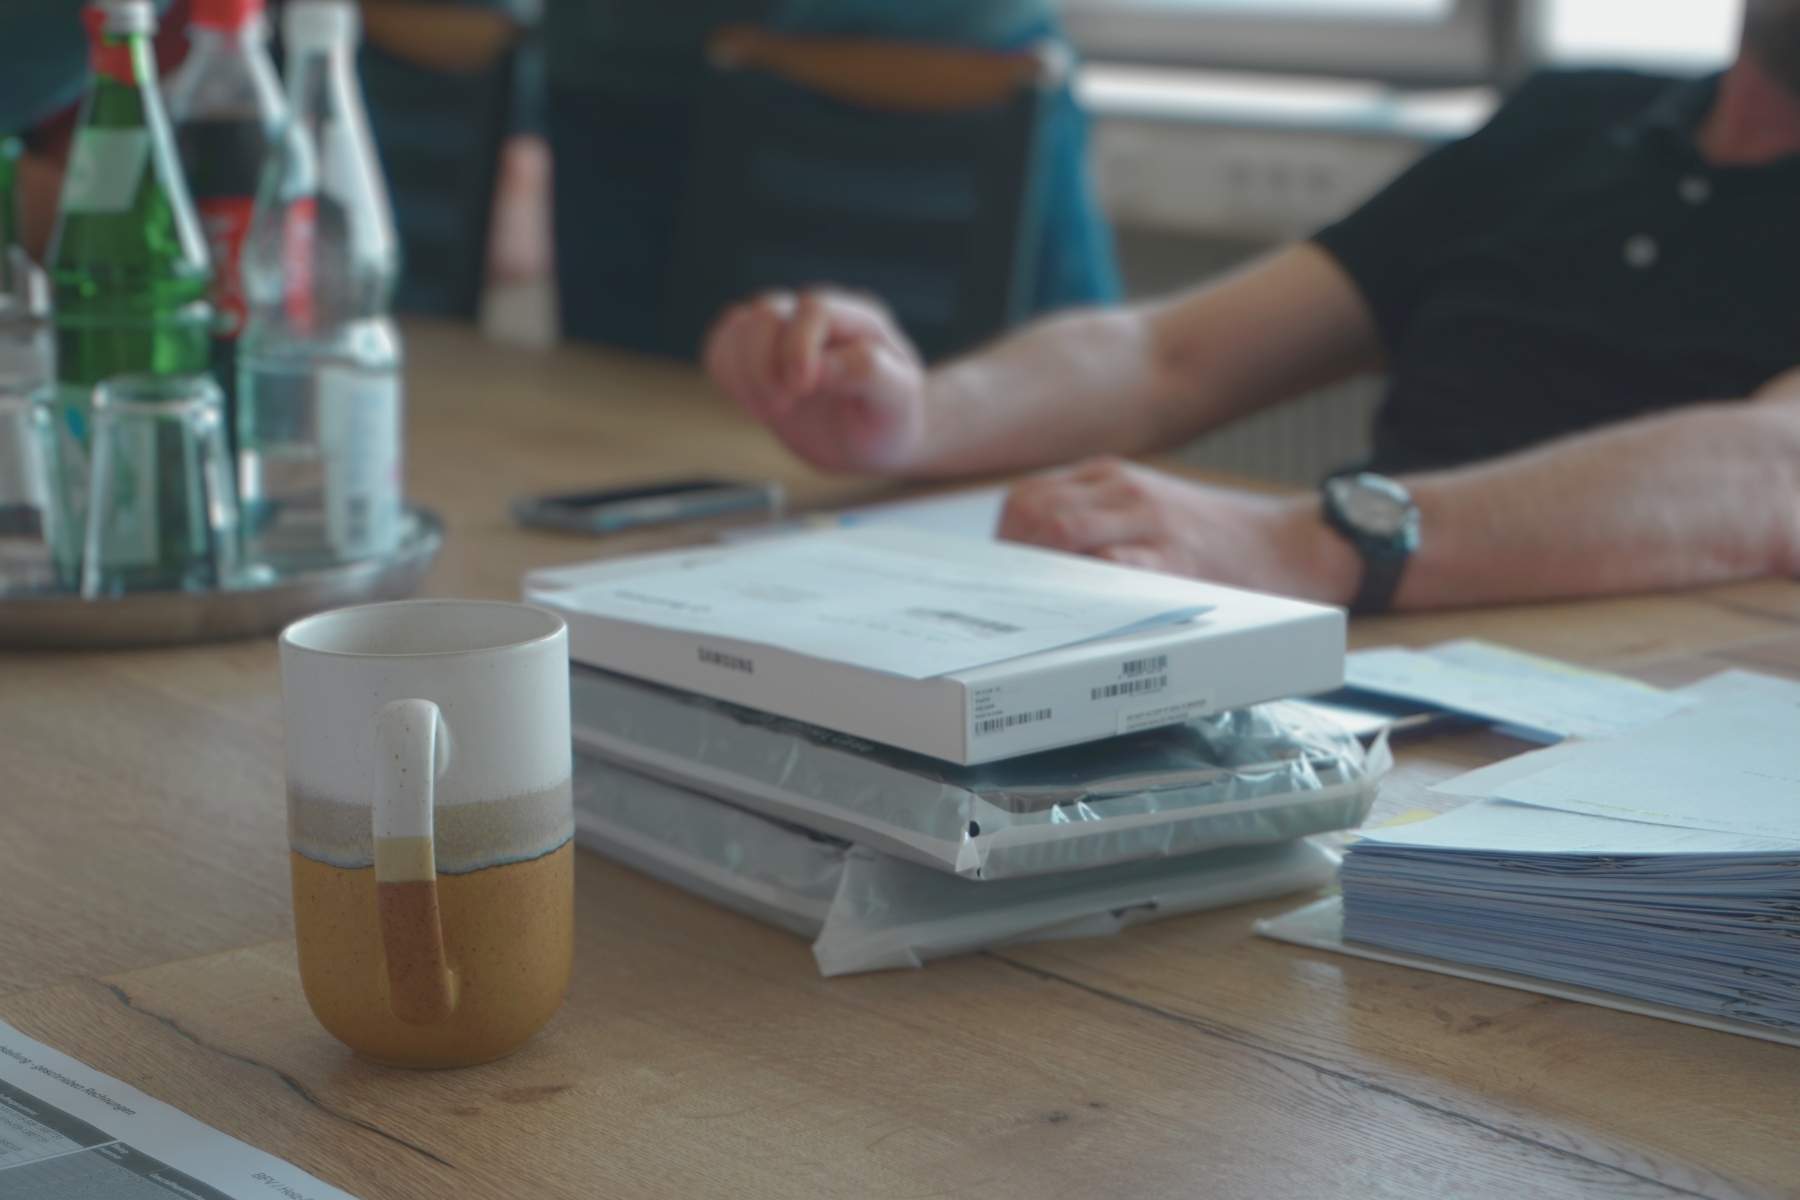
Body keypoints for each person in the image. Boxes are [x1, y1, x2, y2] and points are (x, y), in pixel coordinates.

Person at [704, 0, 1800, 614]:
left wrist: (1312, 545)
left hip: (1651, 739)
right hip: (1364, 681)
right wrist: (921, 415)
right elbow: (1171, 353)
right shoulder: (1574, 118)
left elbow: (1774, 468)